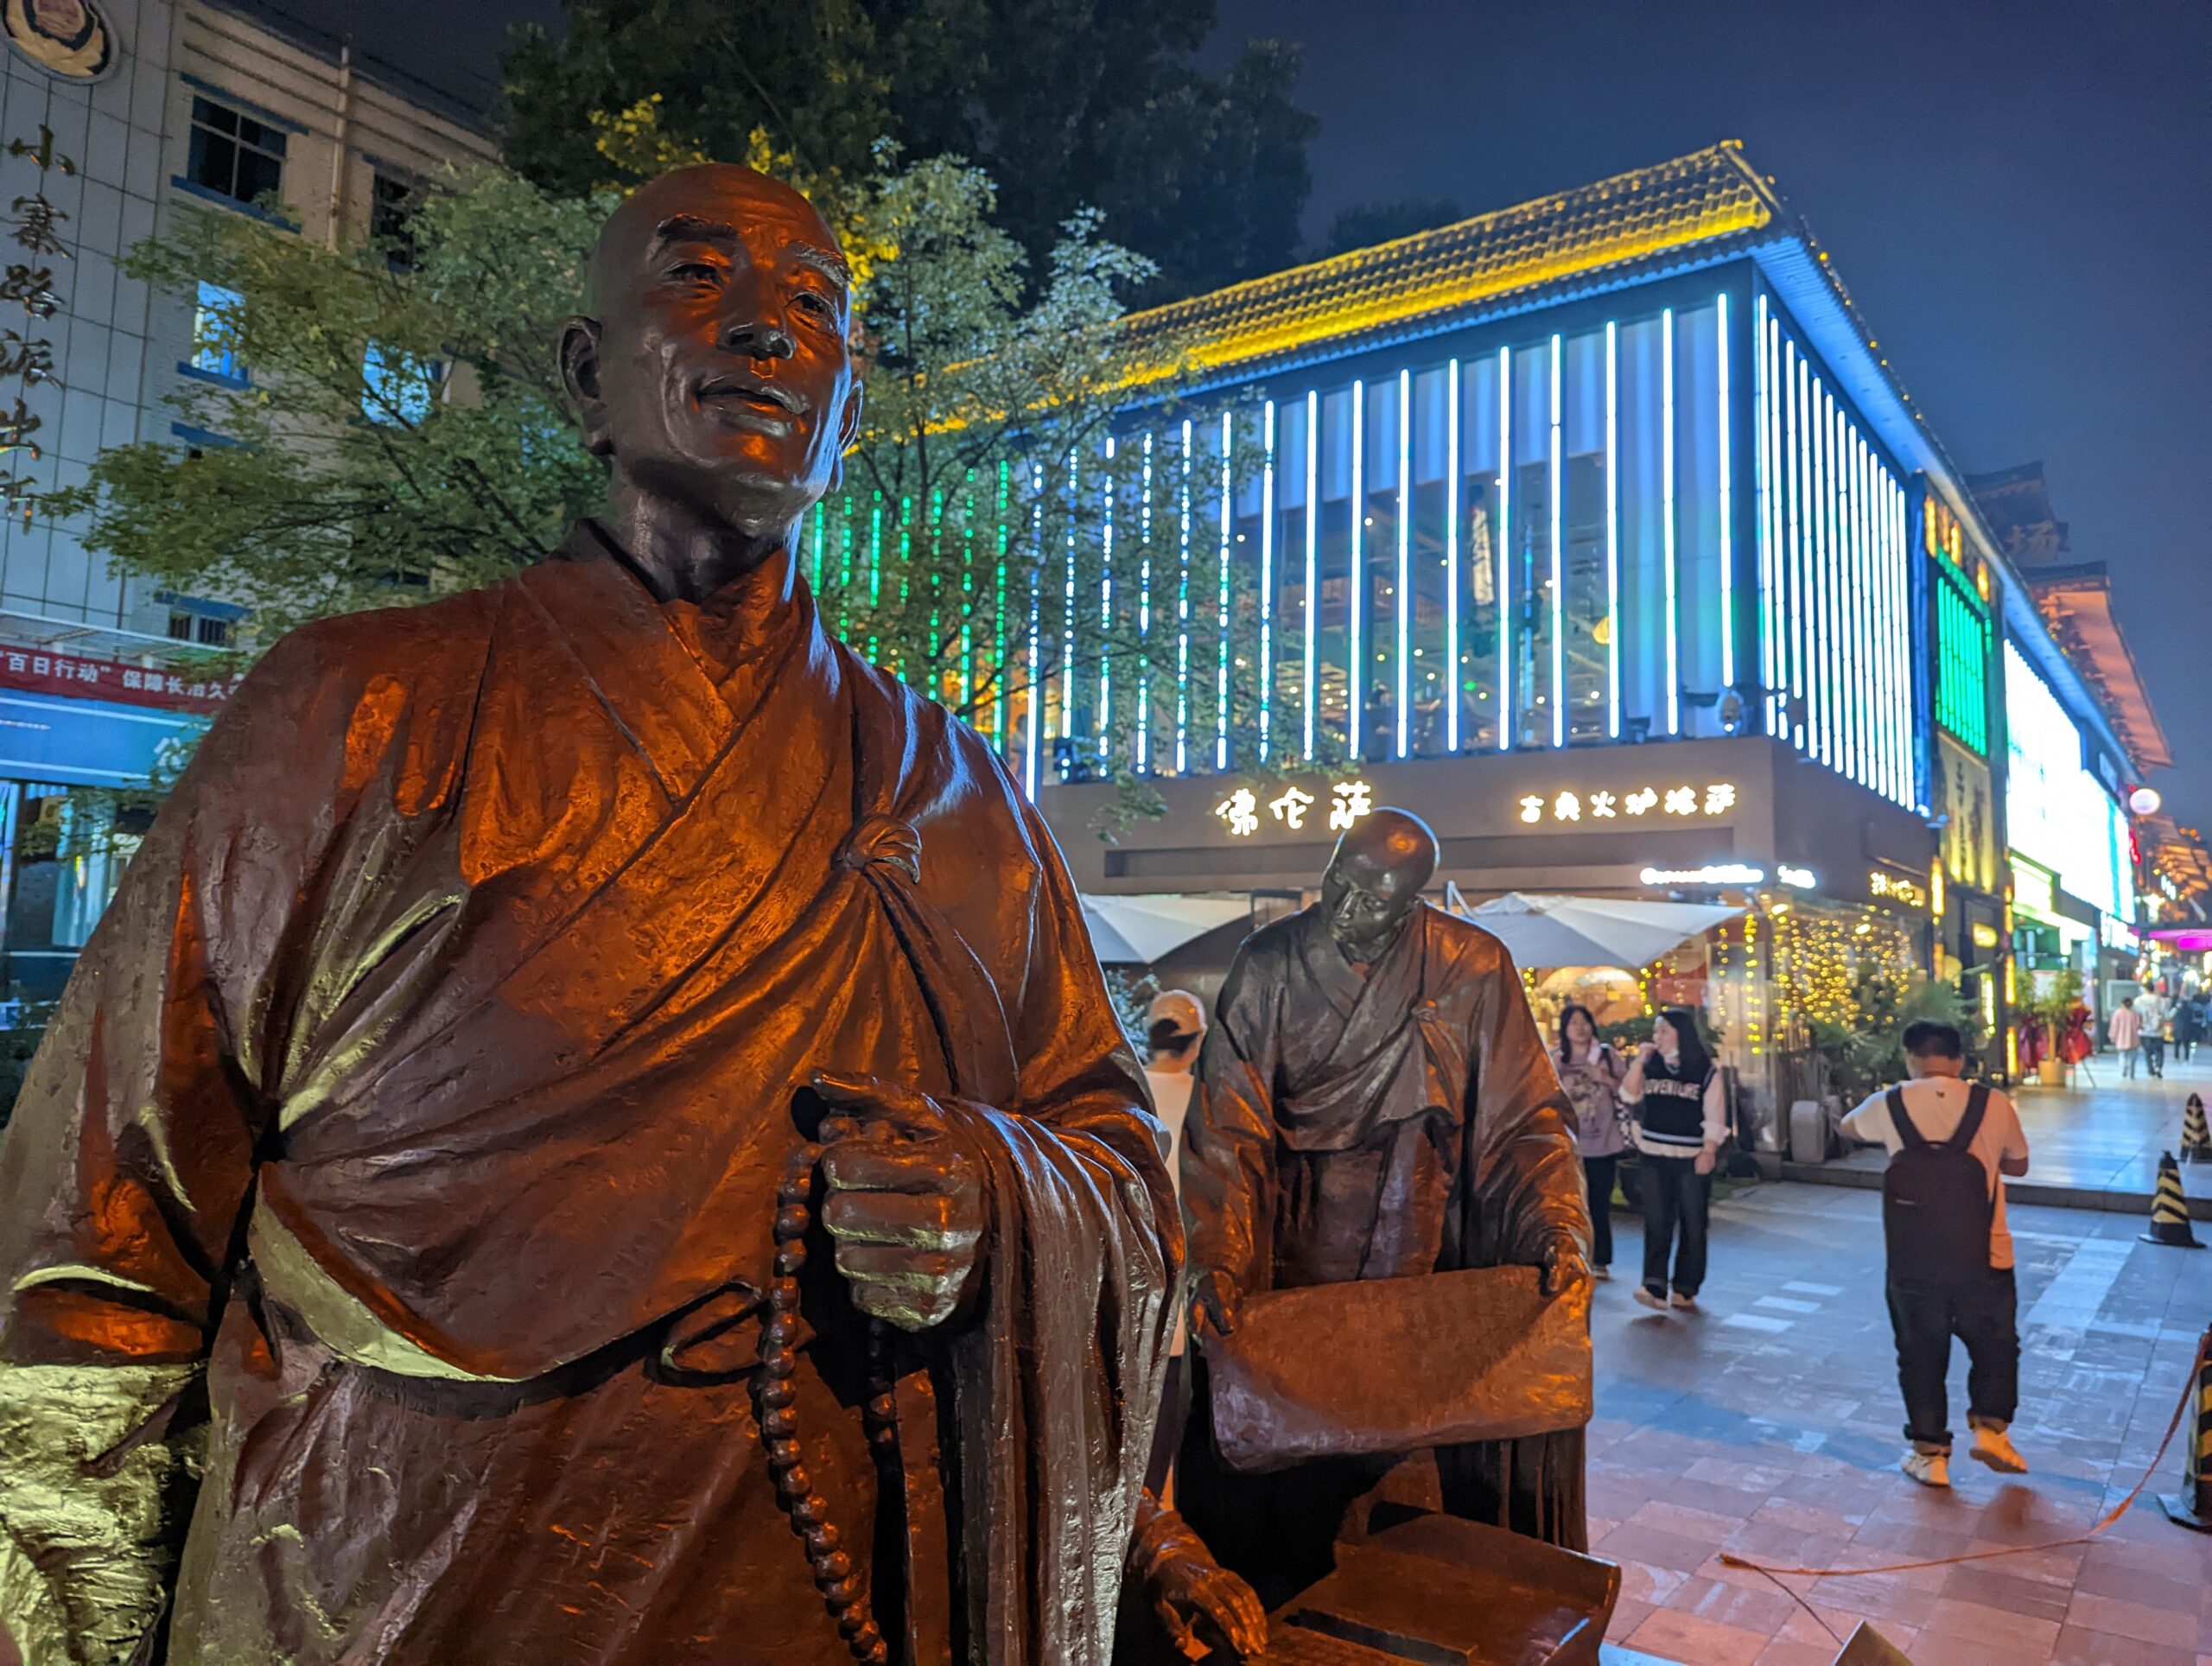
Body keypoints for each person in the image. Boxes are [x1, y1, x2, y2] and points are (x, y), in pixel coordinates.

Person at [0, 165, 1182, 1666]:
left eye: (815, 306)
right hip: (394, 1588)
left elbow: (1118, 1161)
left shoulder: (958, 791)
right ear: (585, 371)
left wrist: (995, 1195)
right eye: (699, 278)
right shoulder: (358, 706)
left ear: (851, 405)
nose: (766, 329)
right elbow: (95, 1255)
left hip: (826, 1590)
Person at [1176, 808, 1592, 1608]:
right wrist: (1218, 1254)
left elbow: (1523, 1119)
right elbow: (1226, 1128)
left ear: (1414, 903)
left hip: (1420, 1251)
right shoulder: (1268, 963)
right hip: (1294, 1247)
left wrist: (1553, 1224)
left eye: (1374, 901)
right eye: (1339, 883)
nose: (1346, 910)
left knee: (1412, 1487)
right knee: (1285, 1469)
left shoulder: (1470, 964)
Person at [1840, 1021, 2031, 1488]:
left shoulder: (1890, 1101)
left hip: (1913, 1261)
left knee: (1920, 1352)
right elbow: (2020, 1165)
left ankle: (1930, 1455)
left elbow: (1847, 1128)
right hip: (1986, 1256)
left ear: (1910, 1059)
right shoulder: (1994, 1103)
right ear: (1960, 1060)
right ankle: (1990, 1430)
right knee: (1995, 1345)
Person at [1618, 1008, 1726, 1314]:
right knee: (1656, 1220)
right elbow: (1627, 1094)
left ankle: (1686, 1286)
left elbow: (1715, 1110)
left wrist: (1709, 1149)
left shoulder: (1704, 1069)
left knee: (1693, 1222)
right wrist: (1639, 1059)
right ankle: (1653, 1285)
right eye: (1656, 1032)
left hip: (1690, 1155)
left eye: (1664, 1031)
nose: (1658, 1038)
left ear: (1681, 1033)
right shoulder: (1651, 1064)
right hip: (1653, 1152)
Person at [1554, 1003, 1630, 1281]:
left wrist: (1605, 1078)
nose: (1580, 1027)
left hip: (1604, 1144)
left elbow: (1629, 1091)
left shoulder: (1607, 1057)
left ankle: (1601, 1260)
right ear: (1564, 1029)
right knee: (1571, 1206)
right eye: (1573, 1022)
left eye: (1584, 1021)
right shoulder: (1557, 1061)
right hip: (1570, 1146)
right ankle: (1574, 1255)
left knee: (1599, 1203)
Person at [2137, 984, 2168, 1078]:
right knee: (2159, 1051)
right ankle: (2158, 1067)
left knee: (2147, 1052)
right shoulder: (2161, 1000)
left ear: (2145, 989)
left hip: (2144, 1031)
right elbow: (2166, 1016)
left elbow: (2136, 1015)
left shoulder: (2138, 1001)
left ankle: (2150, 1070)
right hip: (2158, 1031)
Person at [2109, 993, 2143, 1078]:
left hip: (2121, 1039)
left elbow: (2114, 1026)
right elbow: (2138, 1025)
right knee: (2133, 1057)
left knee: (2122, 1055)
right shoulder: (2134, 1013)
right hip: (2133, 1039)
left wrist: (2112, 1036)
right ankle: (2132, 1073)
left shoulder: (2117, 1013)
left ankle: (2123, 1068)